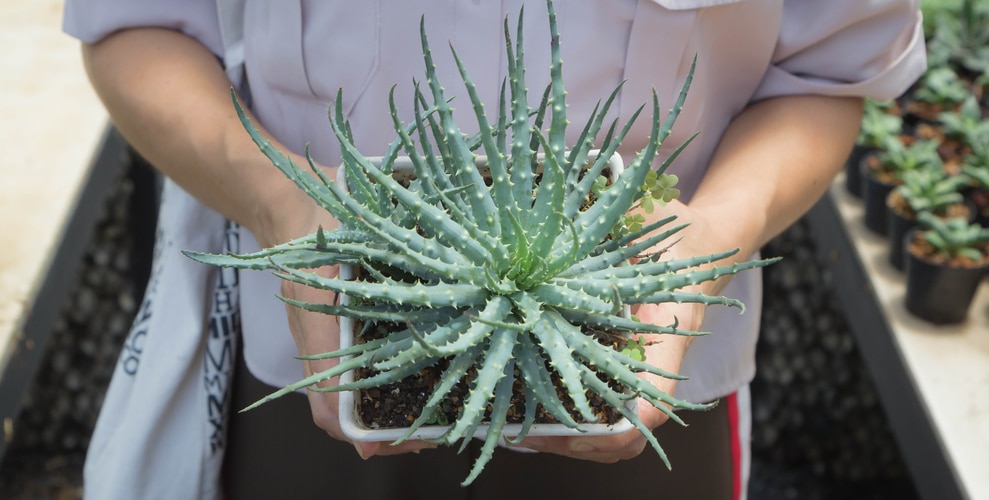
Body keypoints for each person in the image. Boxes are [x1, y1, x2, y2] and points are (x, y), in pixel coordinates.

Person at [64, 1, 926, 499]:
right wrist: (284, 207)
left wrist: (706, 238)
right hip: (323, 347)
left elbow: (823, 71)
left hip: (648, 359)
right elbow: (136, 22)